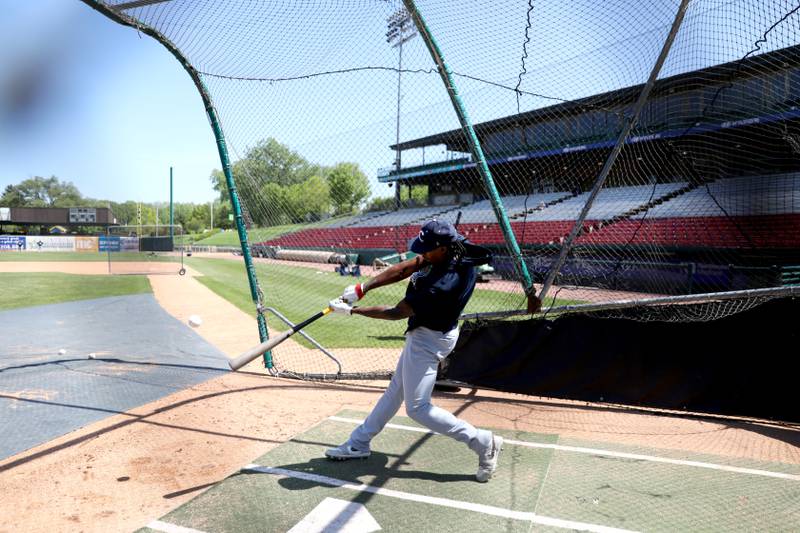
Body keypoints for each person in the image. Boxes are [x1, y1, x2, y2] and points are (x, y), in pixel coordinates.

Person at [325, 219, 503, 482]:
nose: (421, 253)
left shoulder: (443, 283)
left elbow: (397, 312)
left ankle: (481, 442)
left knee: (417, 408)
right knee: (397, 387)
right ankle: (359, 442)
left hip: (429, 338)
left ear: (442, 249)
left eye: (427, 249)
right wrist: (363, 288)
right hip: (433, 332)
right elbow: (408, 267)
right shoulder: (453, 247)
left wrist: (352, 311)